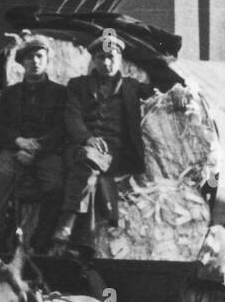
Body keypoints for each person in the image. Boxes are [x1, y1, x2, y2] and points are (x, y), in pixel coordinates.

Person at [51, 29, 154, 254]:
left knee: (88, 164)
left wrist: (181, 97)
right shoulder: (78, 85)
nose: (107, 62)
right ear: (94, 60)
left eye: (111, 57)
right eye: (101, 57)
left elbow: (161, 92)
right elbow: (72, 115)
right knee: (89, 165)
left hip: (115, 153)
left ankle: (67, 222)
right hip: (81, 147)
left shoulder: (132, 87)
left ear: (120, 60)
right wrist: (87, 138)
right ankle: (83, 244)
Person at [0, 37, 67, 255]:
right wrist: (19, 141)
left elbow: (62, 128)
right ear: (22, 63)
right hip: (14, 150)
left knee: (55, 187)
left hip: (47, 152)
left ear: (47, 60)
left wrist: (37, 147)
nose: (35, 61)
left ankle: (41, 241)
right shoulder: (10, 93)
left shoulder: (60, 93)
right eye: (29, 57)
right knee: (2, 175)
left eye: (39, 56)